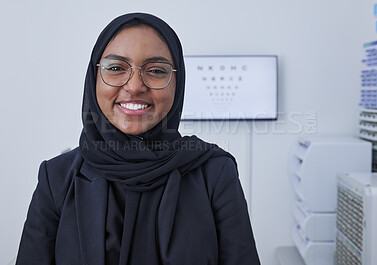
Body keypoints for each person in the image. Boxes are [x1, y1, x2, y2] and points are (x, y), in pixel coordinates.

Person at [16, 13, 260, 265]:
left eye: (155, 70)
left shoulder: (215, 172)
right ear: (93, 78)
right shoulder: (56, 178)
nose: (134, 86)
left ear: (178, 84)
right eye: (116, 68)